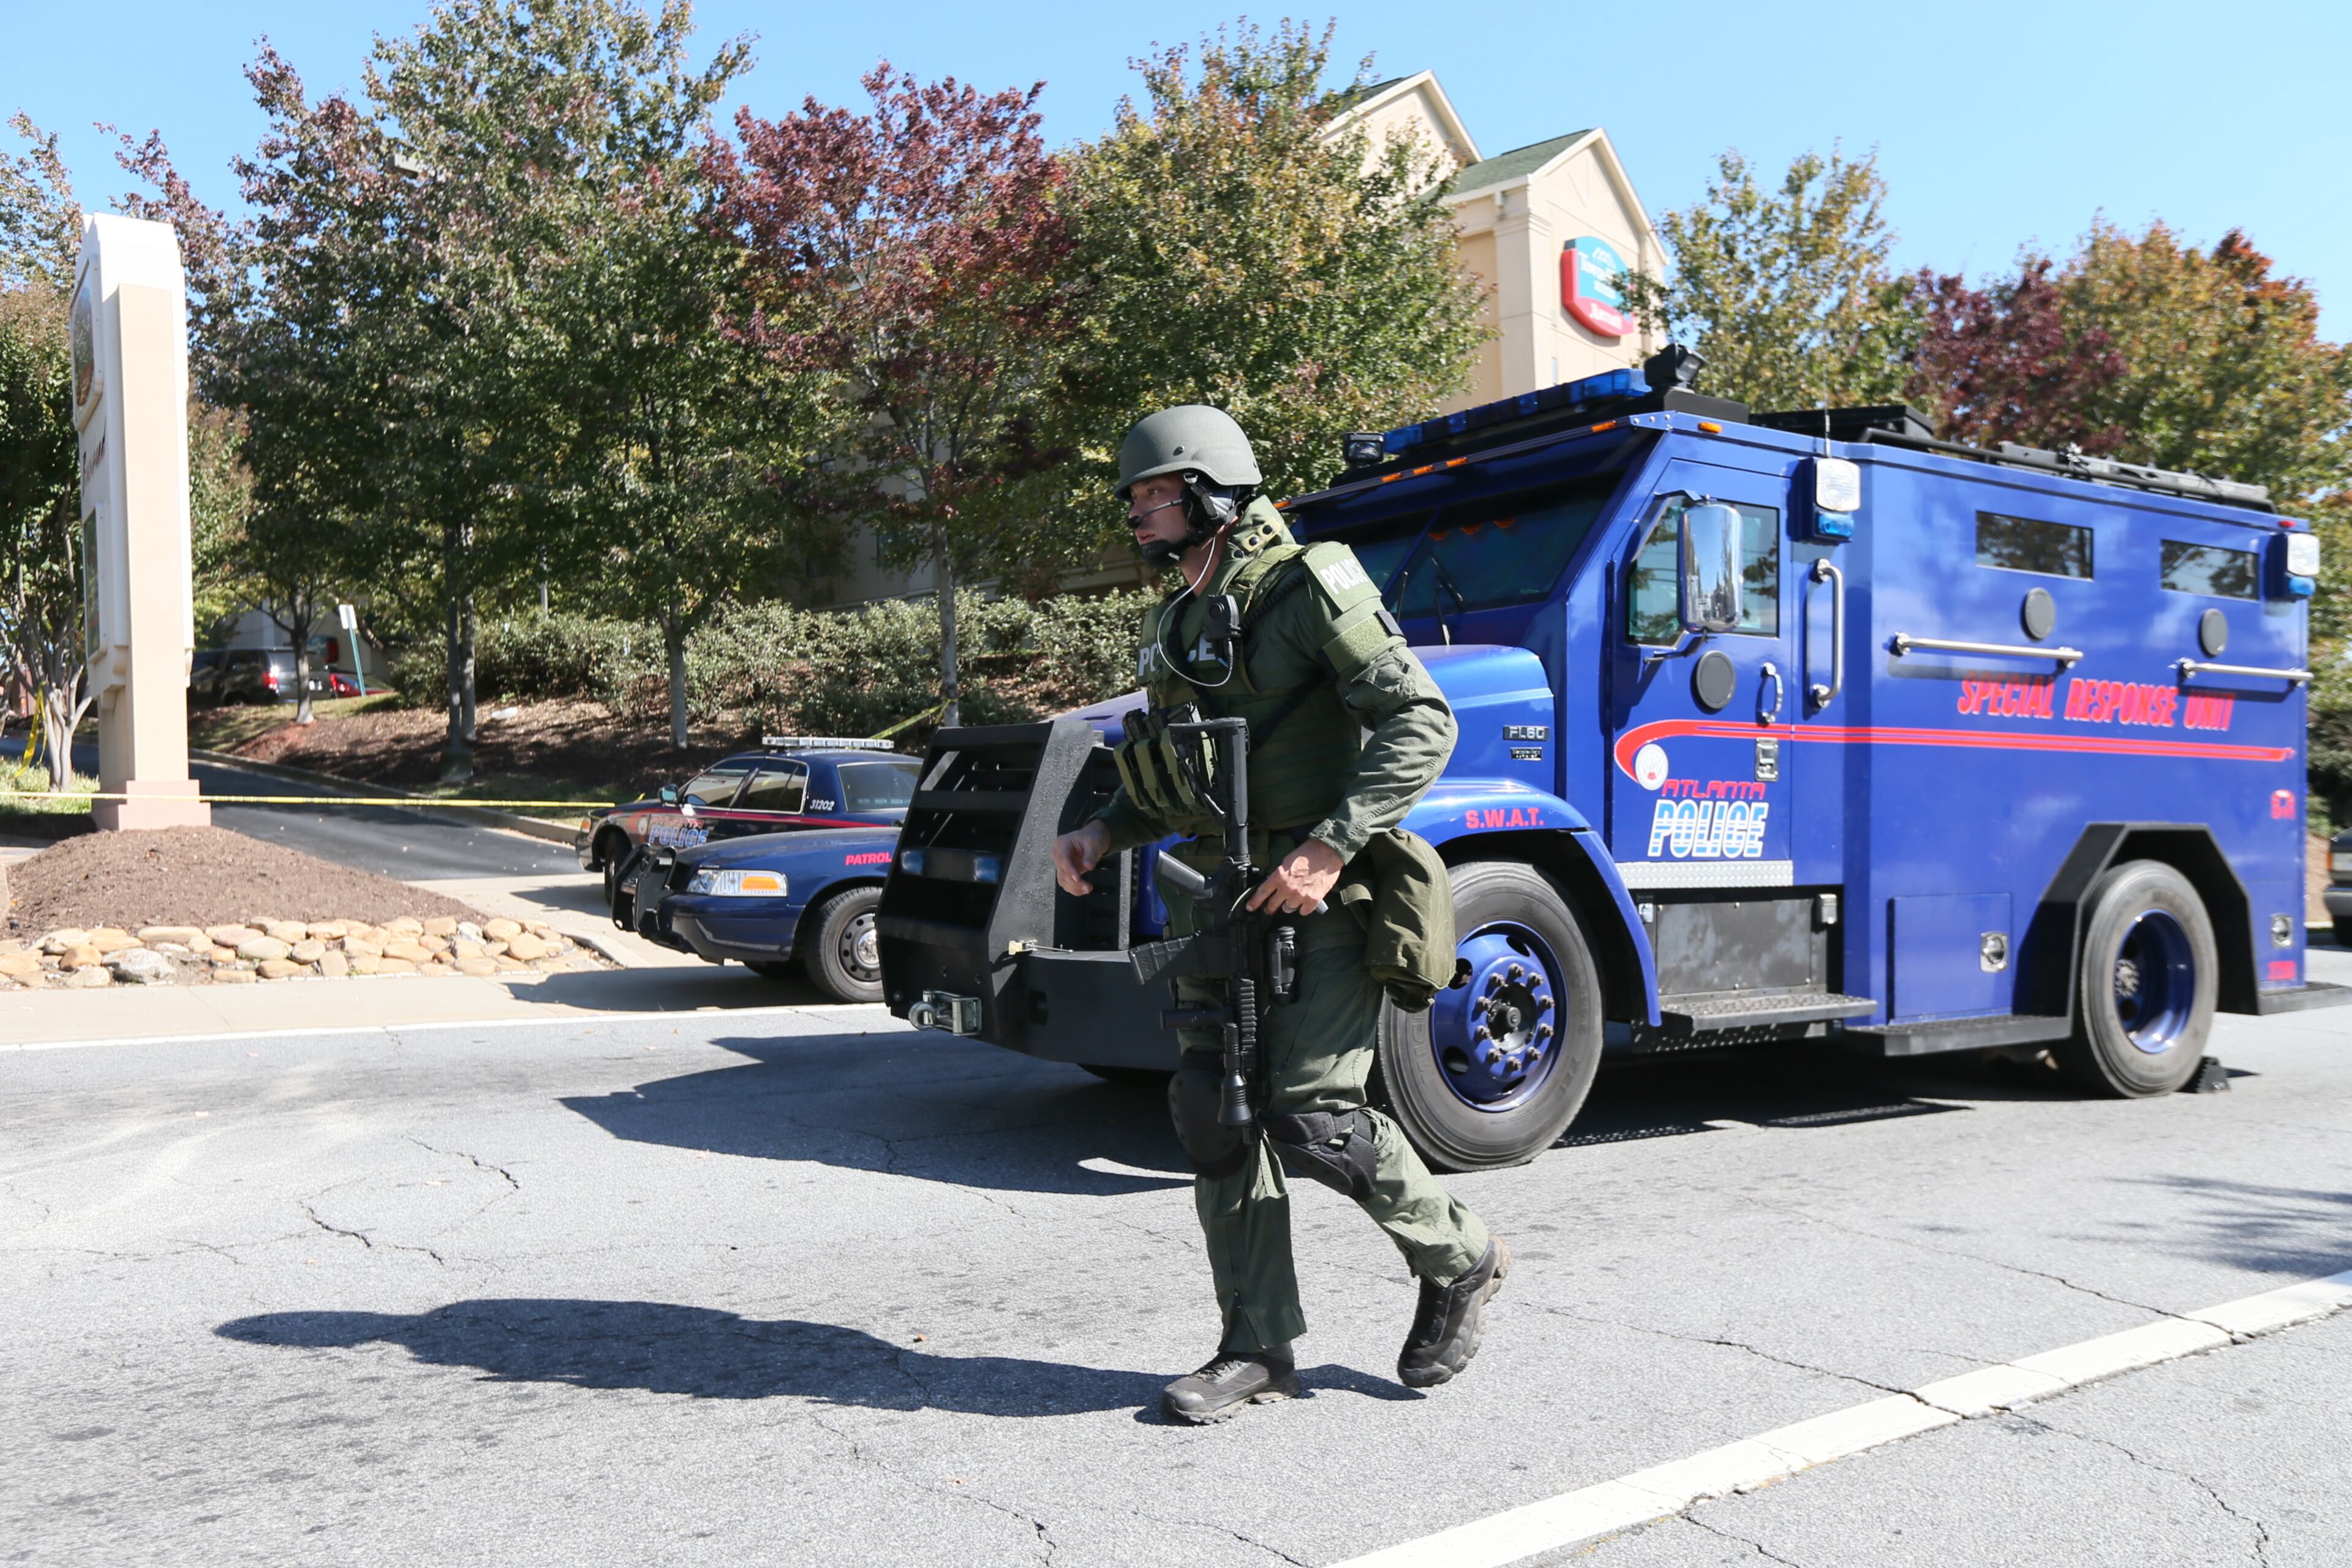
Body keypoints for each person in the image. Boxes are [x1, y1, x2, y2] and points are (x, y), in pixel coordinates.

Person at [1052, 404, 1506, 1425]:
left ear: (1211, 492)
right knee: (1217, 1117)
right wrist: (1104, 832)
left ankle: (1463, 1256)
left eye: (1153, 492)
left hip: (1321, 898)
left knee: (1313, 1118)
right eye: (1135, 495)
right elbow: (1179, 770)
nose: (1137, 511)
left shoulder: (1310, 585)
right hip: (1218, 895)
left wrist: (1328, 844)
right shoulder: (1177, 615)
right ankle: (1256, 1346)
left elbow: (1421, 719)